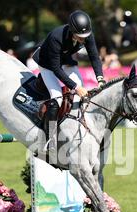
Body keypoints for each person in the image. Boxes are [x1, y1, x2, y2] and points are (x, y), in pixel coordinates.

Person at [32, 10, 105, 153]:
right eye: (80, 37)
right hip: (47, 64)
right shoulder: (56, 37)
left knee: (81, 95)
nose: (84, 39)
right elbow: (56, 68)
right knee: (57, 98)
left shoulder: (87, 34)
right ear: (72, 31)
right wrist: (75, 87)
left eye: (85, 36)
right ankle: (49, 140)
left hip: (66, 61)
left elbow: (94, 57)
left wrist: (100, 79)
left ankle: (79, 130)